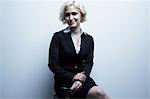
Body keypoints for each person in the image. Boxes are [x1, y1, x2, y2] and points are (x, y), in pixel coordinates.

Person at [48, 0, 110, 99]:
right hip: (64, 81)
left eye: (74, 14)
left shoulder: (89, 39)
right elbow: (52, 64)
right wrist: (73, 77)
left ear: (81, 15)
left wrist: (81, 79)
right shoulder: (58, 37)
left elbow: (89, 62)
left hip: (83, 80)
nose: (71, 18)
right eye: (67, 15)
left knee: (99, 93)